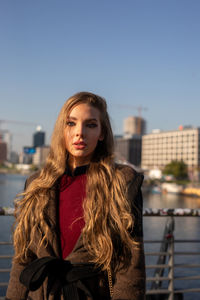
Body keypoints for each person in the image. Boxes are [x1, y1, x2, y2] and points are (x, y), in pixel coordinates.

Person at [6, 92, 145, 300]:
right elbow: (24, 258)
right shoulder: (36, 184)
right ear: (62, 130)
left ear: (102, 133)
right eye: (71, 123)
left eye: (90, 125)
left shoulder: (121, 182)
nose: (79, 133)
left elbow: (130, 265)